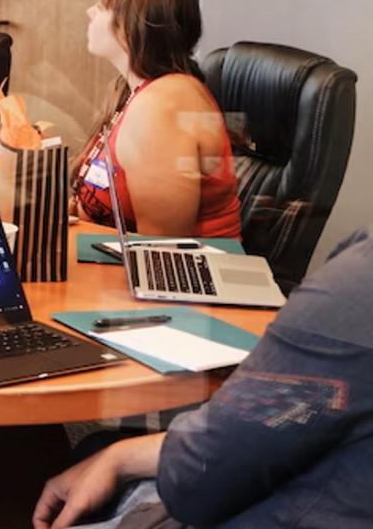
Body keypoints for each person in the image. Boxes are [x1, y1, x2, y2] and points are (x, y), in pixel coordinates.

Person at [33, 226, 373, 528]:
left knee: (43, 484)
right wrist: (119, 457)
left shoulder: (358, 283)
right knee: (95, 447)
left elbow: (195, 487)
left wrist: (120, 459)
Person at [71, 0, 241, 239]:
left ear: (130, 27)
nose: (90, 12)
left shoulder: (162, 105)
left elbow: (161, 249)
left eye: (102, 7)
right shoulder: (134, 91)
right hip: (118, 256)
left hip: (180, 265)